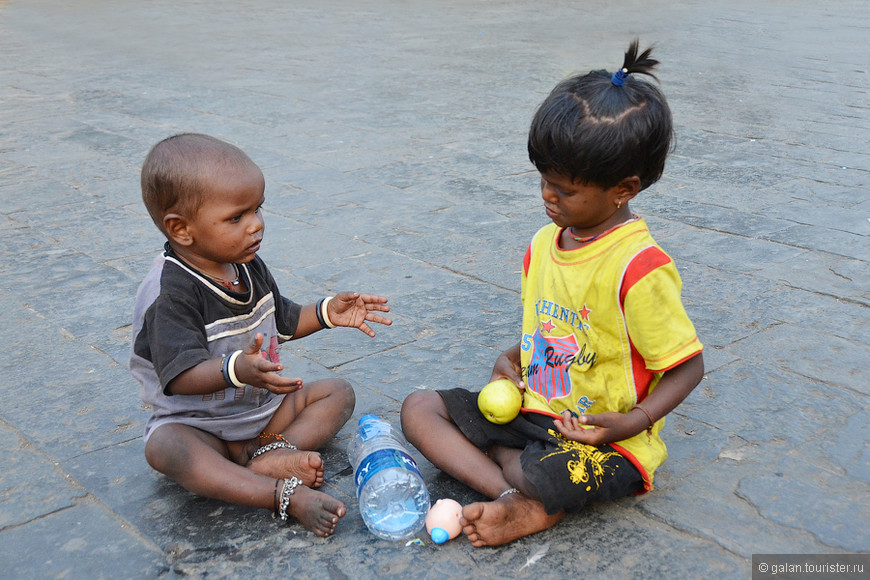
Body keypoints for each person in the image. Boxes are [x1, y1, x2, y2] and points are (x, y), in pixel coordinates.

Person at [401, 40, 704, 547]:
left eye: (564, 189)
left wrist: (633, 422)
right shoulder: (545, 242)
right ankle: (511, 497)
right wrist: (512, 356)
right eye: (543, 179)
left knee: (553, 474)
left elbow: (688, 366)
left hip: (601, 439)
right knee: (418, 409)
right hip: (534, 410)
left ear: (622, 190)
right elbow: (554, 327)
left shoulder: (639, 268)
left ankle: (528, 493)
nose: (547, 195)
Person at [129, 133, 391, 537]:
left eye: (257, 209)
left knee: (336, 392)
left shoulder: (245, 264)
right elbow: (179, 375)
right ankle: (280, 493)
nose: (256, 225)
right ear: (181, 229)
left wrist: (327, 313)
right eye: (236, 217)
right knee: (165, 447)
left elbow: (282, 319)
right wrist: (238, 369)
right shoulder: (170, 293)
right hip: (201, 426)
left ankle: (266, 453)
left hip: (263, 416)